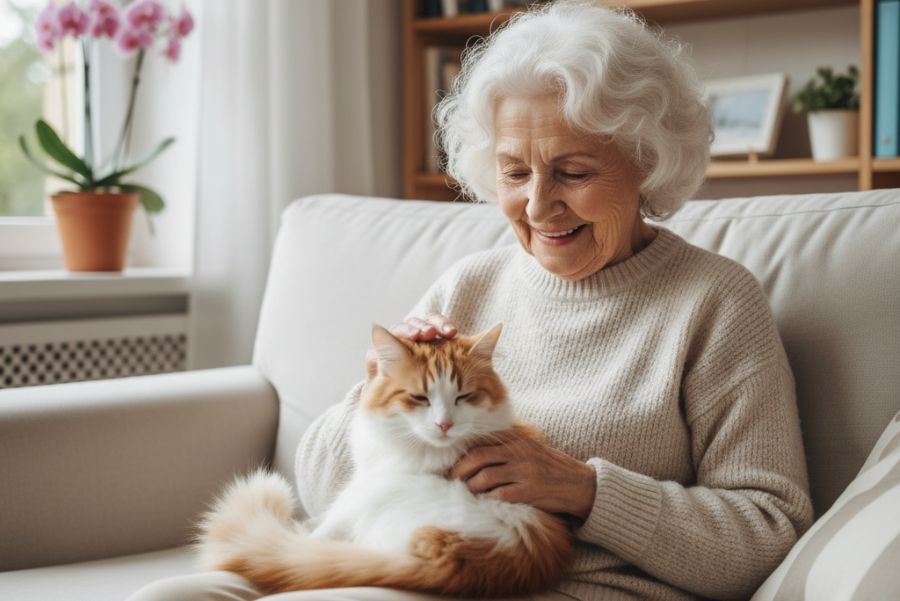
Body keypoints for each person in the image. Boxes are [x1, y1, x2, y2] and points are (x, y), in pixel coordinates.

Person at [128, 1, 813, 600]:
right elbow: (321, 483)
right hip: (390, 562)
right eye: (514, 171)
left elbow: (769, 531)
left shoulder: (715, 302)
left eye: (573, 171)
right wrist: (373, 397)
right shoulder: (472, 283)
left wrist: (586, 490)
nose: (539, 204)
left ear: (648, 160)